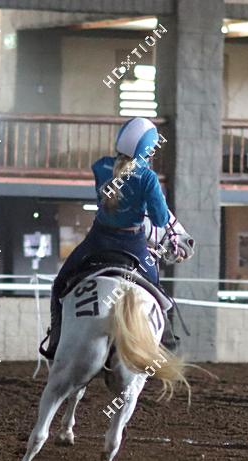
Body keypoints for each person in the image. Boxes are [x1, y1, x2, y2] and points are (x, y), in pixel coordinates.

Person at [39, 117, 173, 360]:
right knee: (159, 294)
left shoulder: (100, 166)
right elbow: (160, 220)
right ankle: (165, 342)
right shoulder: (148, 178)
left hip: (97, 240)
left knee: (60, 283)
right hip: (133, 244)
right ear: (147, 150)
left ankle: (56, 337)